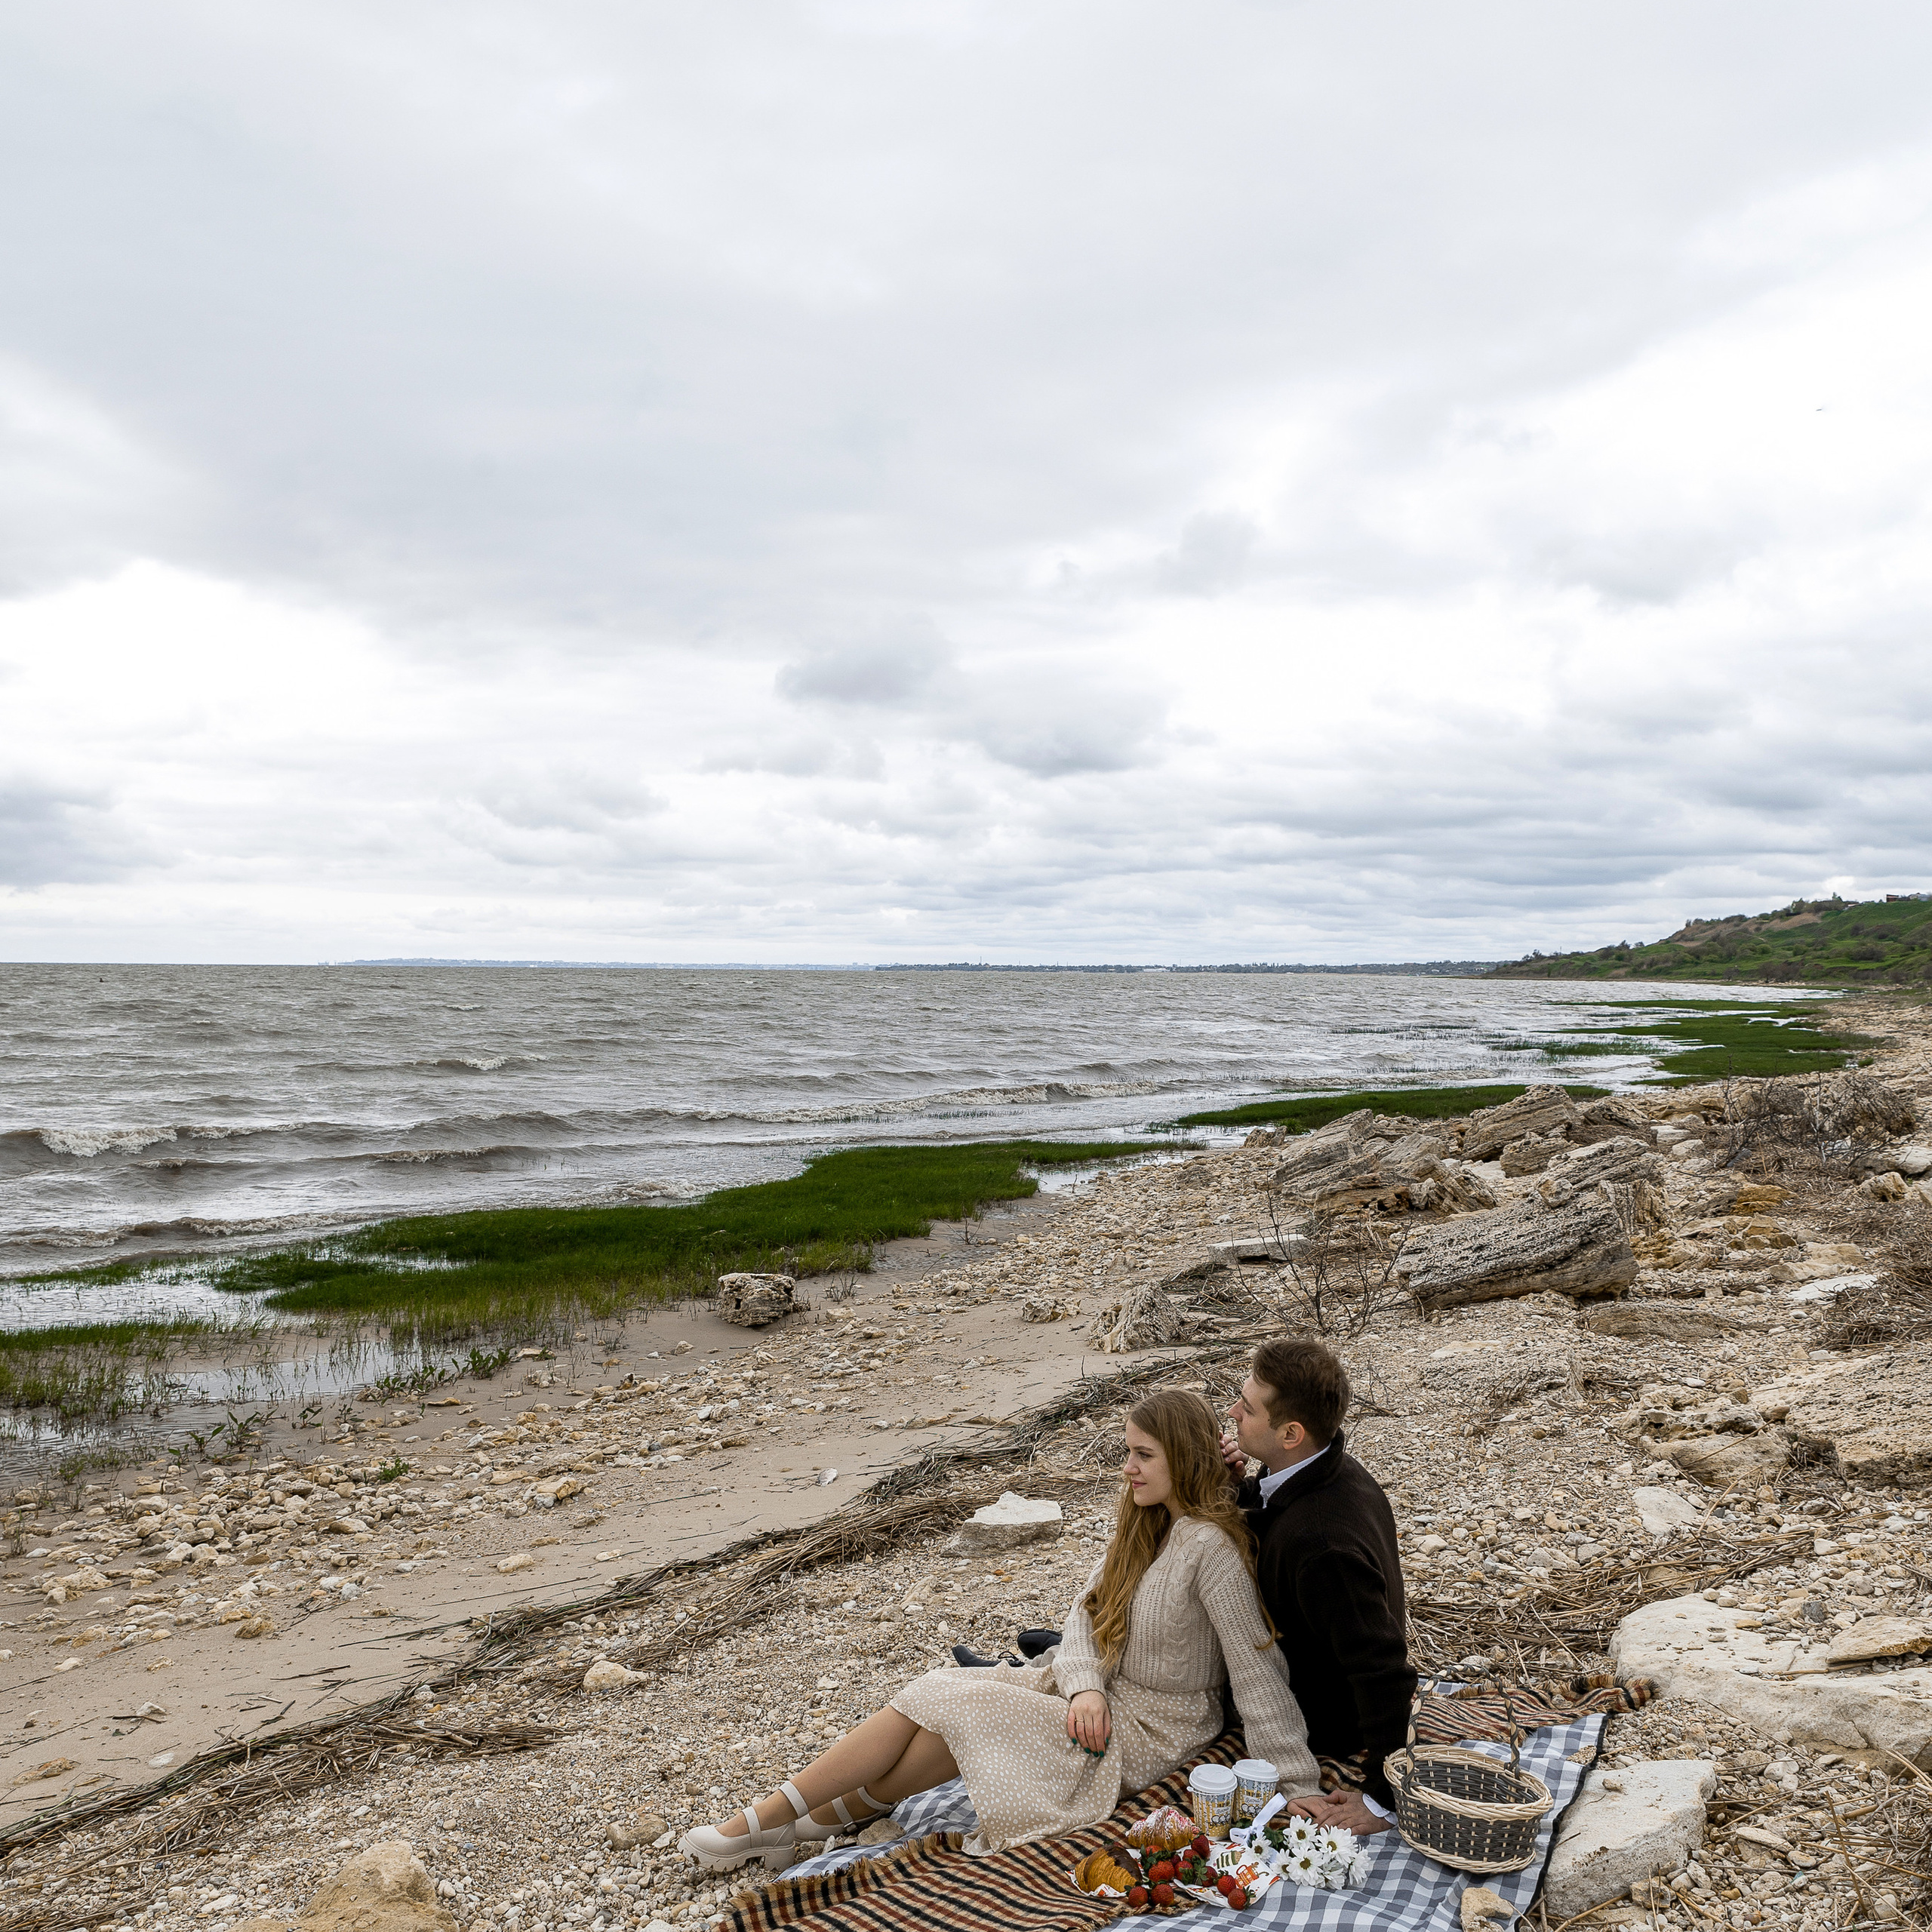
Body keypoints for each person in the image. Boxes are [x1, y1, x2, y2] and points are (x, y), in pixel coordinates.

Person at [678, 1389, 1324, 1872]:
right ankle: (790, 1822)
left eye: (1141, 1455)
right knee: (948, 1703)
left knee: (960, 1698)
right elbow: (1084, 1618)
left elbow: (1257, 1672)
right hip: (1098, 1701)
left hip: (1151, 1731)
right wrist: (1084, 1685)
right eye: (1127, 1451)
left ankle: (766, 1822)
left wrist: (1299, 1787)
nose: (1126, 1467)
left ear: (1180, 1459)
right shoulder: (1145, 1526)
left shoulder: (1212, 1549)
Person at [1223, 1337, 1416, 1834]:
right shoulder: (1323, 1469)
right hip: (1308, 1669)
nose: (1233, 1413)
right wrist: (1236, 1487)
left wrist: (1382, 1798)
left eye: (1246, 1409)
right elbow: (1280, 1515)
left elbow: (1386, 1671)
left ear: (1291, 1434)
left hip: (1321, 1721)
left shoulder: (1325, 1547)